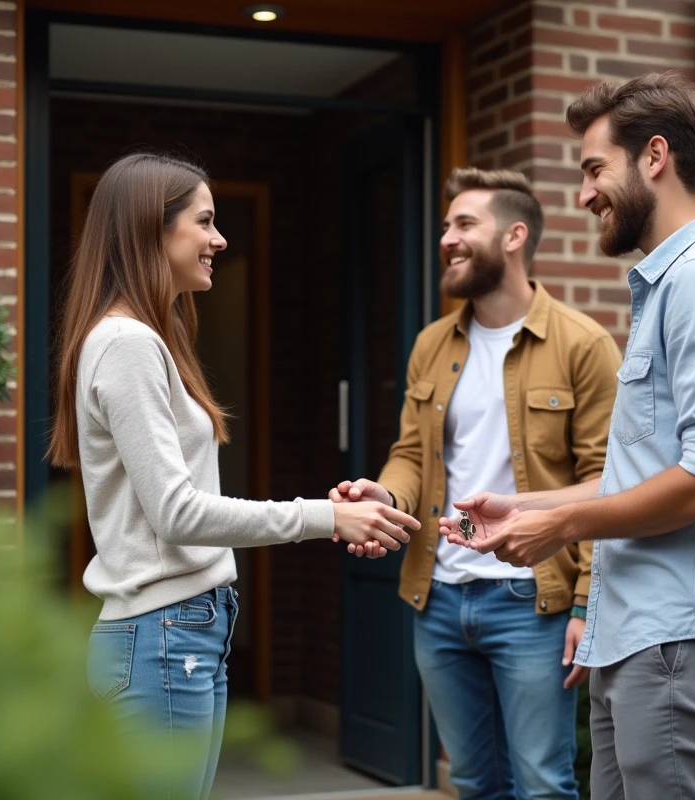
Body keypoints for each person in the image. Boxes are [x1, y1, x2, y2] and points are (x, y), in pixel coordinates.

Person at [441, 73, 695, 800]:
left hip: (676, 642)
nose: (585, 193)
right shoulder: (668, 288)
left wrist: (563, 522)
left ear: (654, 156)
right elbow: (648, 471)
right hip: (638, 641)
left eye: (595, 169)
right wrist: (529, 509)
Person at [46, 152, 420, 800]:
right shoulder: (128, 345)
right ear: (150, 230)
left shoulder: (150, 338)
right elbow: (179, 513)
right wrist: (326, 517)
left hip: (182, 631)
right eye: (205, 221)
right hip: (162, 634)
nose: (219, 239)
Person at [332, 167, 621, 799]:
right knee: (471, 781)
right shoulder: (432, 344)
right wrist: (386, 495)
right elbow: (411, 452)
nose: (448, 239)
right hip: (438, 598)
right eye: (445, 227)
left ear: (515, 235)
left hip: (533, 603)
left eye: (465, 224)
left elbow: (607, 482)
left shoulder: (583, 345)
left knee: (543, 784)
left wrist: (585, 602)